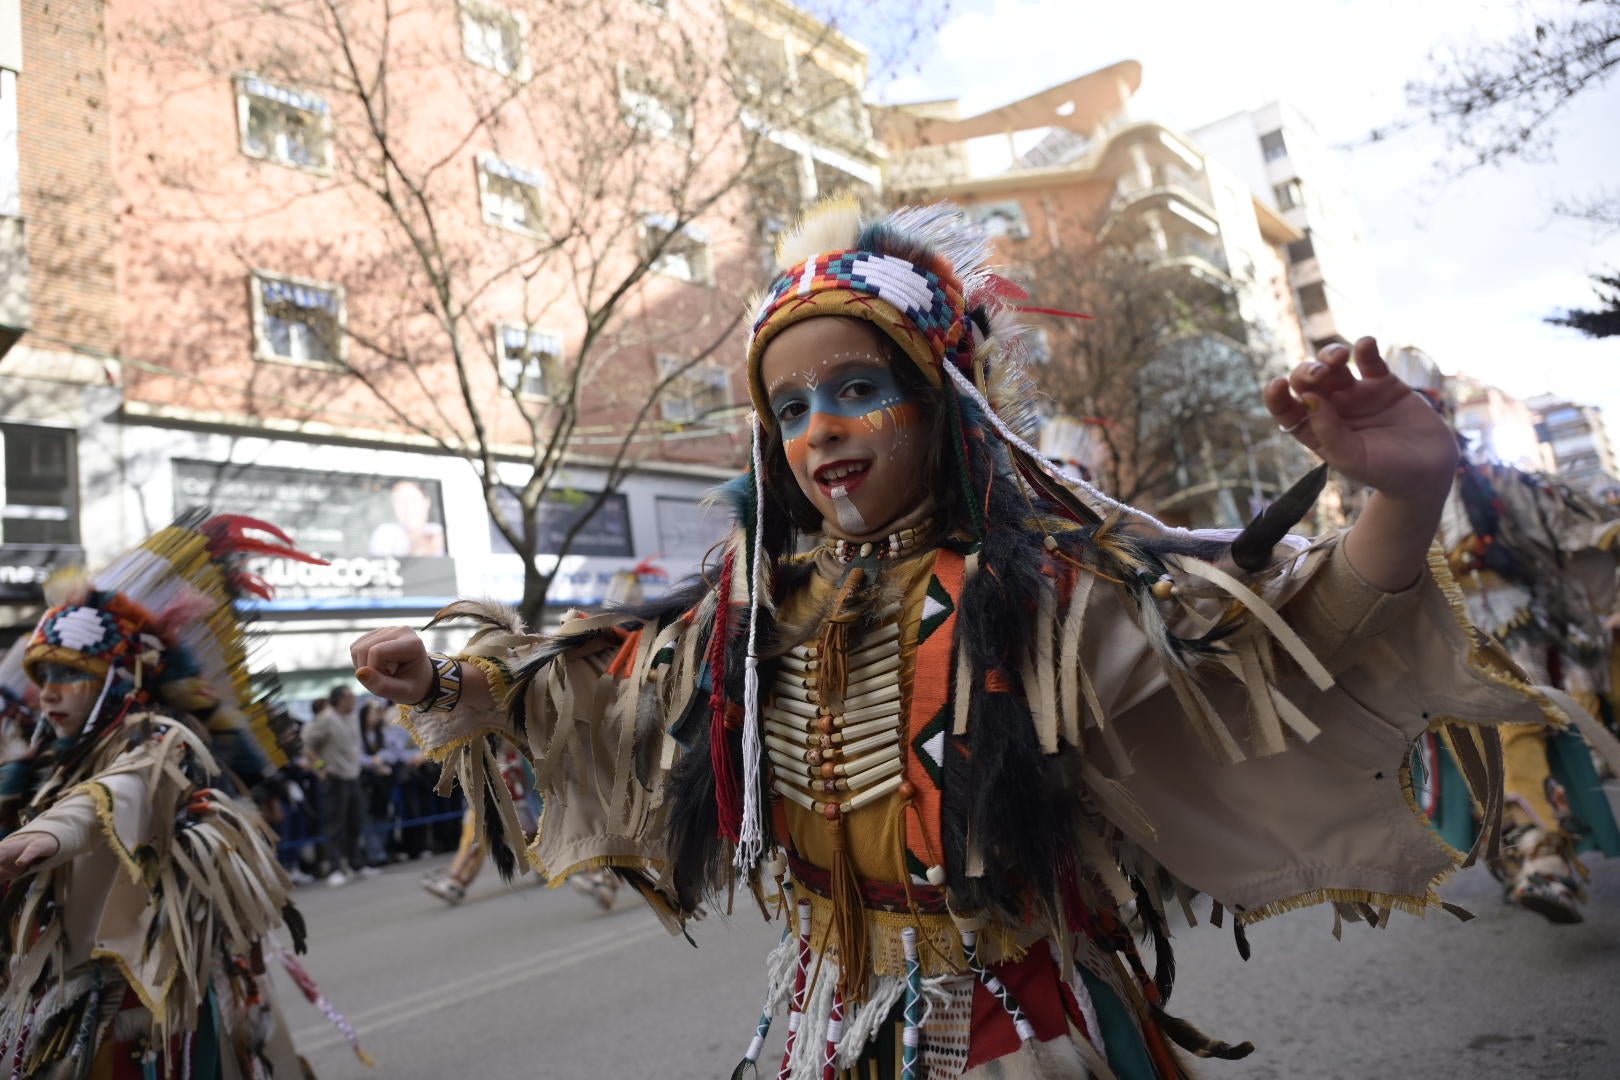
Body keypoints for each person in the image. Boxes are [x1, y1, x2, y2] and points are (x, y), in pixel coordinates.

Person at [351, 202, 1579, 1078]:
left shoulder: (1048, 592)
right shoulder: (751, 609)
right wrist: (455, 681)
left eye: (854, 389)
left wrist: (1404, 501)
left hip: (1026, 1022)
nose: (819, 428)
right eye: (788, 408)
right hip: (841, 1017)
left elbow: (1279, 651)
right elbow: (614, 702)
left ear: (945, 404)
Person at [0, 514, 372, 1076]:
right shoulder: (46, 756)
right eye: (41, 673)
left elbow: (122, 792)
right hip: (69, 985)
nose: (48, 690)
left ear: (115, 678)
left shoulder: (159, 740)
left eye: (67, 673)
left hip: (153, 993)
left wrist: (40, 836)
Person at [1424, 448, 1620, 922]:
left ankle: (1543, 855)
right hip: (1438, 639)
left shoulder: (1499, 482)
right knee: (1462, 739)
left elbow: (1575, 536)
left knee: (1512, 724)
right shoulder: (1388, 501)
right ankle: (1521, 847)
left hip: (1512, 621)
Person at [305, 683, 375, 885]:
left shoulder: (352, 717)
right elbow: (307, 745)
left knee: (355, 820)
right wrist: (320, 766)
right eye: (350, 697)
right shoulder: (326, 719)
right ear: (341, 700)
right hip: (334, 778)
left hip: (353, 775)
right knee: (335, 824)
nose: (354, 700)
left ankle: (356, 863)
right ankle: (334, 868)